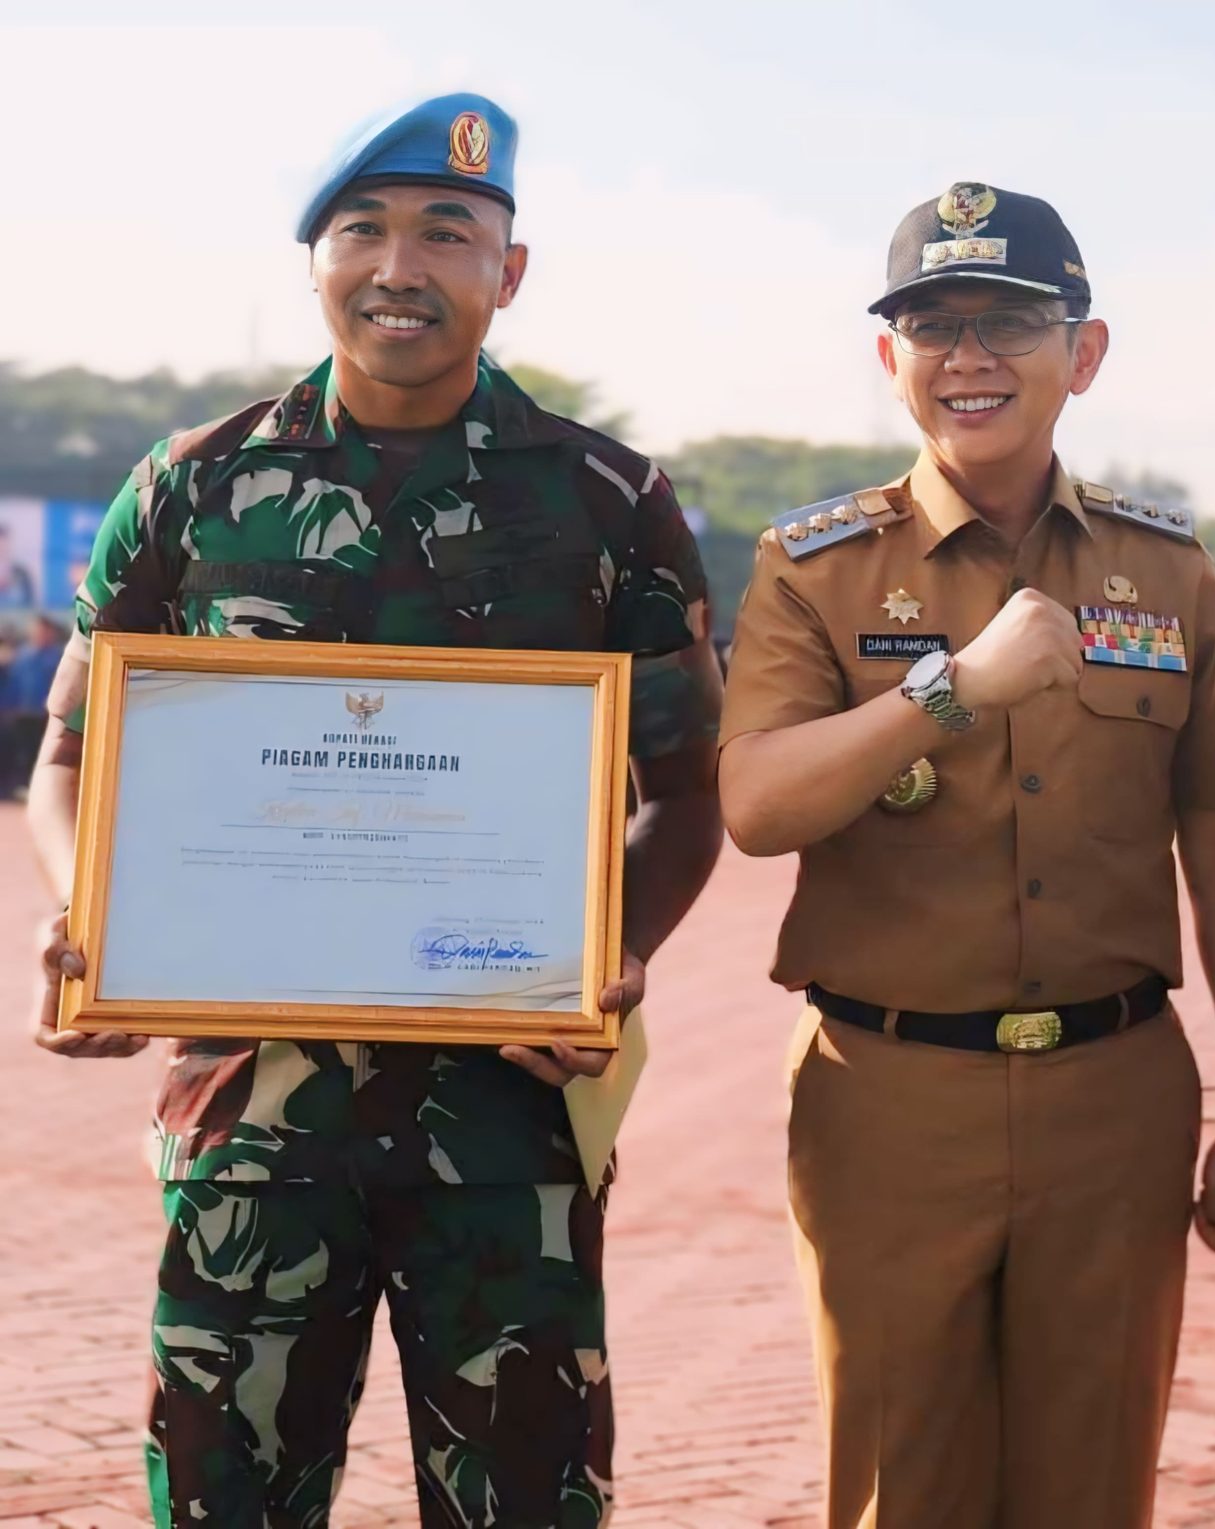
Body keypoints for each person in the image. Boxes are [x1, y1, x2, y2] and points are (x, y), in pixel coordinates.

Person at [24, 93, 725, 1528]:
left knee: (523, 1503)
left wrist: (615, 948)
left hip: (507, 1123)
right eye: (364, 229)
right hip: (252, 1120)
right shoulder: (193, 487)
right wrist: (88, 916)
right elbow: (70, 761)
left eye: (446, 234)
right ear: (315, 259)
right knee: (227, 1502)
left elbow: (689, 800)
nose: (399, 265)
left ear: (506, 273)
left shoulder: (609, 505)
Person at [717, 182, 1215, 1528]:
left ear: (1082, 354)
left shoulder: (1169, 573)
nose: (968, 357)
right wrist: (948, 690)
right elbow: (756, 802)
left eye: (1009, 322)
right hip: (890, 1094)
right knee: (897, 1490)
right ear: (891, 360)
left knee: (1095, 1489)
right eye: (932, 324)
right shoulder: (815, 568)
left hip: (1116, 1097)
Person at [2, 616, 64, 795]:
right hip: (21, 713)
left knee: (42, 751)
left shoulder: (57, 657)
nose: (39, 634)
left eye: (44, 631)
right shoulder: (22, 656)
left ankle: (41, 790)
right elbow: (12, 683)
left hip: (44, 714)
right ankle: (22, 787)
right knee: (22, 752)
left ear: (51, 633)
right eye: (36, 630)